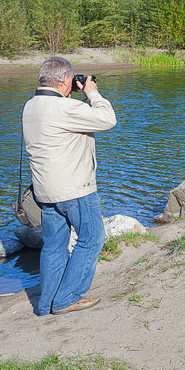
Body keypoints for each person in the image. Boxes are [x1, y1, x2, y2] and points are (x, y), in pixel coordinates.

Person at [22, 56, 117, 315]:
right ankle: (67, 298)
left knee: (54, 246)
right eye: (71, 80)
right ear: (66, 80)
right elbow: (107, 119)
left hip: (45, 191)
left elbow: (63, 122)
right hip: (75, 190)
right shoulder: (63, 109)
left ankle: (46, 304)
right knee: (92, 238)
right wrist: (93, 93)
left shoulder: (30, 106)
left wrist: (70, 94)